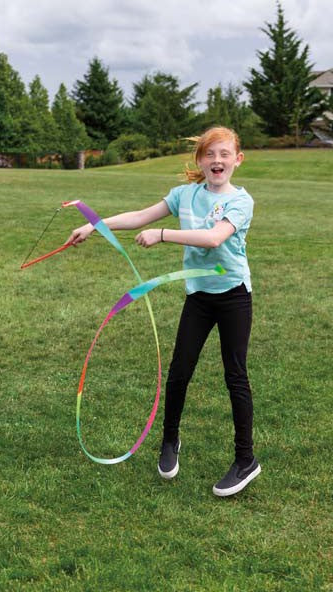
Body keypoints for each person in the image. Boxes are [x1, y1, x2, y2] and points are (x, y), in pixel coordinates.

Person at [66, 126, 260, 497]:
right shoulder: (184, 195)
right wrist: (94, 225)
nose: (216, 160)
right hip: (199, 296)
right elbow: (141, 216)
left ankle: (245, 459)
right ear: (199, 160)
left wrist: (163, 234)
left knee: (235, 375)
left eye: (224, 154)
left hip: (234, 295)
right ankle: (170, 440)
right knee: (179, 370)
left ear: (237, 160)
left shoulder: (241, 201)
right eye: (209, 154)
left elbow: (214, 238)